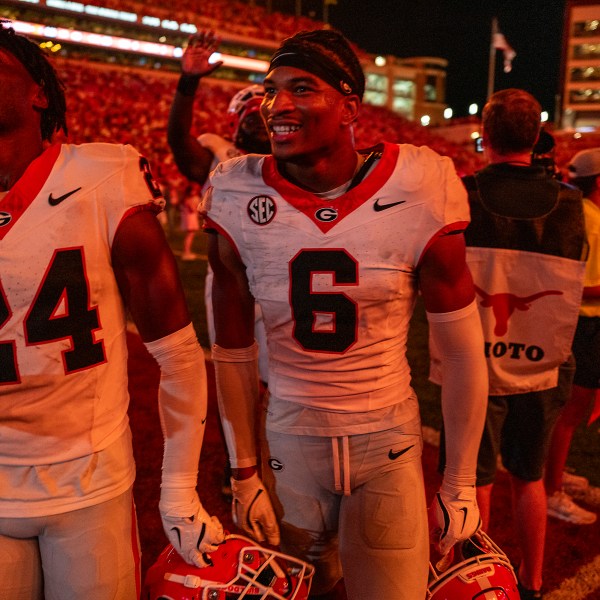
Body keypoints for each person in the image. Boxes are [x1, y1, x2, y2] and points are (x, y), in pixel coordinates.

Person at [202, 28, 488, 600]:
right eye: (271, 89)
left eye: (301, 89)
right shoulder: (235, 192)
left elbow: (461, 353)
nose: (277, 105)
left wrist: (460, 484)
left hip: (386, 441)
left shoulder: (420, 185)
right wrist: (242, 470)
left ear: (349, 106)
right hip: (288, 438)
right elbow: (230, 351)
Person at [0, 21, 223, 598]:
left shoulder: (101, 175)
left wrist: (178, 487)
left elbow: (176, 352)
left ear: (38, 91)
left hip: (88, 484)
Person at [437, 89, 586, 600]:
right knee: (530, 479)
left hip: (472, 362)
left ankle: (474, 581)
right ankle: (534, 582)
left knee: (472, 477)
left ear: (487, 136)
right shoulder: (573, 203)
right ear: (537, 138)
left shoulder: (461, 194)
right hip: (544, 361)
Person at [167, 30, 271, 382]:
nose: (261, 125)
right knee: (234, 380)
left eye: (266, 119)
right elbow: (179, 142)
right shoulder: (217, 154)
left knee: (281, 381)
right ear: (234, 122)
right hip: (228, 277)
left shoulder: (291, 161)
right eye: (252, 118)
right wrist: (187, 83)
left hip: (279, 275)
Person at [543, 147, 600, 525]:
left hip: (574, 322)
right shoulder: (591, 219)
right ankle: (551, 491)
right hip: (584, 323)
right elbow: (583, 285)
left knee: (565, 410)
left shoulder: (576, 210)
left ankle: (554, 475)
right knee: (568, 411)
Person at [180, 183, 202, 260]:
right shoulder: (189, 199)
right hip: (190, 219)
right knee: (190, 236)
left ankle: (187, 252)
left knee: (190, 236)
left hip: (189, 218)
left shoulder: (186, 198)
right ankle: (186, 253)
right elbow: (193, 209)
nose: (195, 191)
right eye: (194, 190)